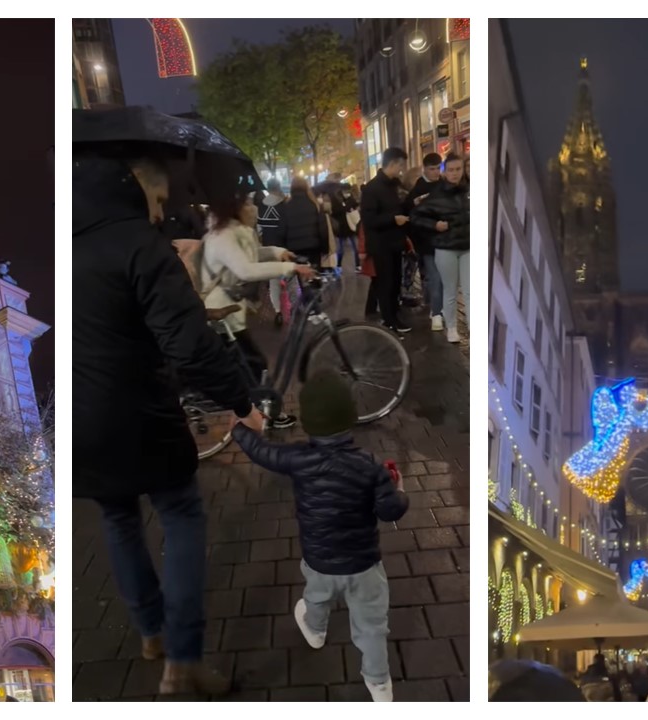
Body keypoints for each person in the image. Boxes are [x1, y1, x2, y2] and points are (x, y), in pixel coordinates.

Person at [72, 147, 255, 696]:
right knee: (180, 514)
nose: (158, 212)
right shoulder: (141, 247)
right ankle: (184, 659)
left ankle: (150, 632)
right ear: (134, 188)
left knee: (119, 519)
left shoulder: (73, 242)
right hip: (141, 411)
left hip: (82, 421)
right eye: (155, 198)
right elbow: (190, 347)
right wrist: (242, 403)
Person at [230, 370, 408, 701]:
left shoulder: (298, 459)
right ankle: (379, 684)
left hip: (320, 560)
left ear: (309, 423)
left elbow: (262, 452)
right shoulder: (369, 465)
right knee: (372, 626)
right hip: (364, 565)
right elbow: (390, 511)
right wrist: (399, 489)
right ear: (351, 418)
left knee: (316, 597)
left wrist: (240, 430)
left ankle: (314, 630)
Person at [201, 186, 316, 427]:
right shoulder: (224, 235)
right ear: (234, 209)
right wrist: (290, 268)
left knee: (250, 364)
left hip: (229, 310)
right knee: (252, 364)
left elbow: (249, 257)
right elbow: (246, 269)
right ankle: (266, 414)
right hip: (222, 312)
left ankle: (265, 411)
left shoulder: (232, 231)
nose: (254, 208)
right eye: (247, 204)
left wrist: (277, 252)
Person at [410, 152, 469, 343]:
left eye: (458, 169)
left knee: (469, 290)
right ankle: (449, 325)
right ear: (445, 172)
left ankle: (472, 325)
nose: (455, 173)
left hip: (468, 246)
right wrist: (435, 226)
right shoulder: (435, 194)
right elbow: (416, 216)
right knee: (448, 288)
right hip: (444, 247)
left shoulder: (469, 190)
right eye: (451, 170)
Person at [360, 147, 412, 333]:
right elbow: (368, 220)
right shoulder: (372, 188)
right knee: (385, 283)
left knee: (395, 282)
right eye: (400, 165)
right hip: (381, 245)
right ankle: (389, 319)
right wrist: (393, 219)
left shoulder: (395, 185)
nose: (401, 169)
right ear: (392, 163)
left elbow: (401, 206)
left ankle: (394, 314)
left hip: (396, 242)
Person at [405, 153, 444, 330]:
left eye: (438, 168)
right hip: (426, 241)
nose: (436, 172)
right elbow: (412, 215)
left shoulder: (446, 185)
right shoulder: (418, 190)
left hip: (445, 240)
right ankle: (436, 310)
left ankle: (435, 306)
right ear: (425, 169)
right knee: (433, 277)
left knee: (441, 278)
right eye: (432, 169)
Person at [256, 178, 288, 325]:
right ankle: (297, 307)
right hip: (285, 248)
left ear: (267, 189)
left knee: (273, 281)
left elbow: (259, 230)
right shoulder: (284, 205)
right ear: (279, 187)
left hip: (269, 249)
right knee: (291, 278)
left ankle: (277, 311)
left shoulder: (260, 207)